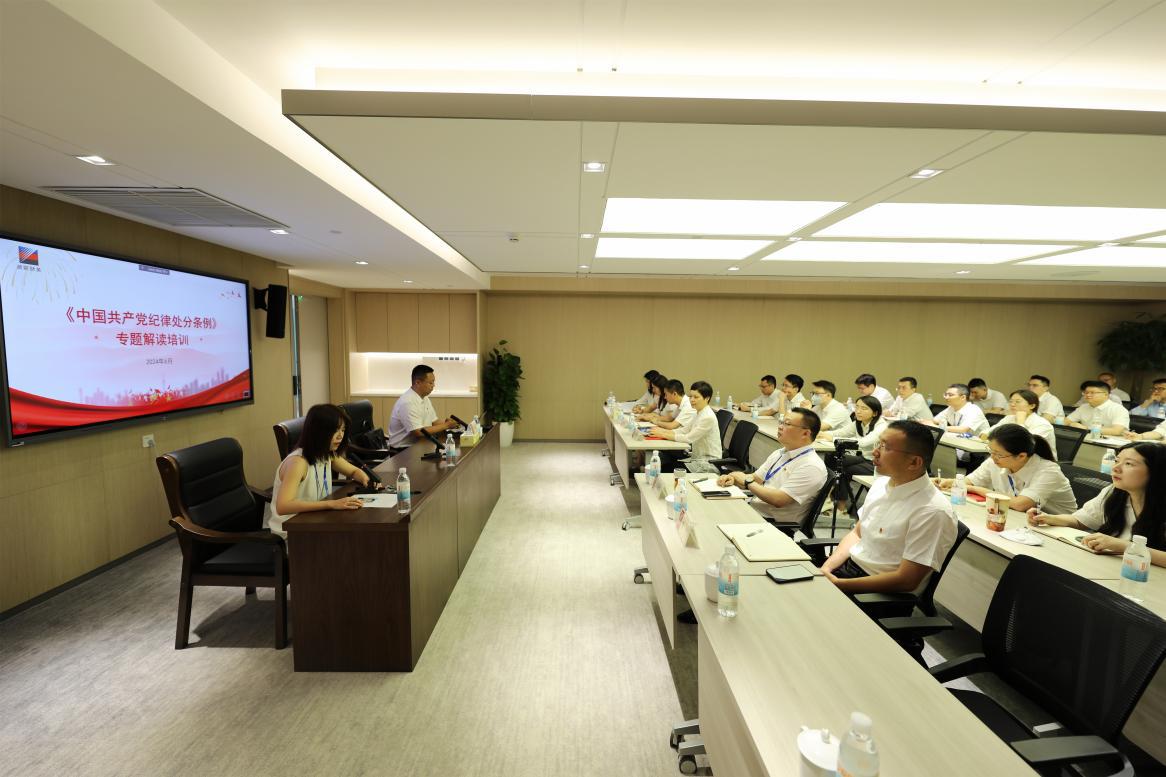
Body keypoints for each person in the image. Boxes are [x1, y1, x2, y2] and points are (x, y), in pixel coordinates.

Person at [820, 421, 958, 594]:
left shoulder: (932, 511)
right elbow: (857, 533)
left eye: (885, 447)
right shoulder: (881, 484)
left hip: (877, 592)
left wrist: (840, 584)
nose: (875, 452)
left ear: (914, 462)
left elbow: (906, 581)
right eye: (878, 444)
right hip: (847, 571)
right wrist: (827, 568)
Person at [1028, 442, 1165, 566]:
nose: (1116, 468)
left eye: (1128, 464)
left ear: (1155, 471)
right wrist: (1050, 518)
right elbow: (1081, 520)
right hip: (1113, 565)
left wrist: (1124, 546)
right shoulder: (1114, 492)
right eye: (1116, 461)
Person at [265, 404, 376, 537]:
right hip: (291, 532)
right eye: (335, 430)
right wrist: (331, 504)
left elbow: (353, 472)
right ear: (318, 432)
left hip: (315, 521)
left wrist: (365, 479)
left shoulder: (326, 454)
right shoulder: (298, 462)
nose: (340, 436)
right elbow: (283, 506)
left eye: (342, 430)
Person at [717, 408, 827, 526]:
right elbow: (756, 478)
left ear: (806, 433)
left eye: (787, 424)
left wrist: (747, 482)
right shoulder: (781, 452)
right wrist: (734, 479)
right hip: (755, 509)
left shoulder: (811, 466)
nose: (780, 427)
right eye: (781, 422)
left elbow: (778, 500)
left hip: (772, 523)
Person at [940, 425, 1075, 514]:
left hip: (1058, 528)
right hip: (1018, 518)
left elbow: (1020, 504)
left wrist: (973, 489)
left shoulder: (1048, 471)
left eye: (998, 454)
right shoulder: (996, 459)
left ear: (1021, 456)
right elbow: (970, 481)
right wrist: (947, 482)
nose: (993, 457)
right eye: (991, 451)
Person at [819, 395, 888, 515]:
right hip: (863, 457)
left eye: (864, 408)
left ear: (875, 413)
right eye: (857, 407)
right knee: (834, 457)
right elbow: (841, 432)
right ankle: (831, 498)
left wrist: (833, 438)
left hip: (877, 463)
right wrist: (822, 434)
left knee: (842, 468)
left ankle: (838, 505)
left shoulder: (881, 426)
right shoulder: (858, 423)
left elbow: (864, 442)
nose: (858, 411)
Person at [651, 381, 723, 470]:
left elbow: (688, 438)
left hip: (708, 463)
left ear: (707, 398)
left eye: (696, 397)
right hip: (697, 459)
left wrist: (663, 434)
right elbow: (685, 430)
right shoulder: (698, 412)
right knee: (665, 464)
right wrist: (663, 431)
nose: (691, 400)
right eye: (690, 396)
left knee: (665, 468)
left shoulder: (708, 417)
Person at [388, 364, 458, 449]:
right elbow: (418, 432)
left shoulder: (424, 398)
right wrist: (446, 425)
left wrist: (450, 423)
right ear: (417, 382)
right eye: (430, 383)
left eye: (433, 382)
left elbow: (434, 421)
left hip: (420, 445)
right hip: (403, 450)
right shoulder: (407, 402)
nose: (433, 385)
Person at [984, 389, 1057, 454]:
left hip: (1037, 460)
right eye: (1011, 401)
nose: (1012, 404)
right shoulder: (1009, 418)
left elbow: (1023, 445)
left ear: (1032, 406)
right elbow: (988, 432)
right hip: (1010, 455)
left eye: (1017, 402)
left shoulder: (1042, 424)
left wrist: (1020, 423)